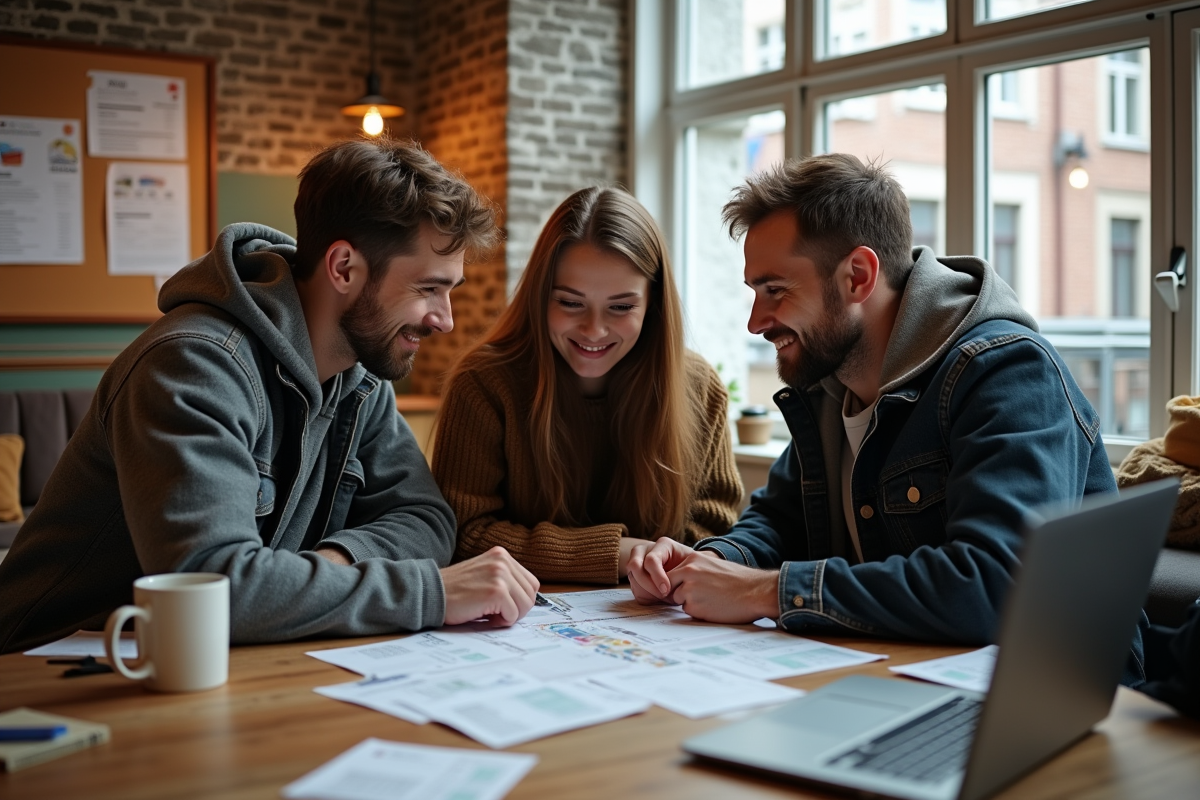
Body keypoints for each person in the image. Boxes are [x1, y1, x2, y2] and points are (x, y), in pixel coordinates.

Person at [0, 137, 539, 655]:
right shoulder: (193, 365)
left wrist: (329, 564)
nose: (444, 320)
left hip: (211, 661)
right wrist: (430, 592)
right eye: (428, 289)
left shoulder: (361, 375)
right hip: (54, 667)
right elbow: (212, 591)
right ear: (344, 268)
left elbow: (427, 521)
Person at [627, 154, 1125, 655]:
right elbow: (780, 519)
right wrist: (704, 565)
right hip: (899, 673)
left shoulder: (1007, 373)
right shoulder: (830, 380)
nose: (756, 322)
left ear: (859, 276)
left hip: (1050, 693)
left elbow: (997, 585)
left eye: (775, 290)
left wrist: (764, 591)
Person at [431, 187, 743, 584]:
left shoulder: (699, 388)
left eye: (621, 306)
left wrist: (663, 563)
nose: (594, 329)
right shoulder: (484, 384)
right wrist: (616, 553)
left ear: (654, 305)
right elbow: (463, 533)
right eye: (571, 303)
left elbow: (714, 521)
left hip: (660, 616)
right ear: (541, 296)